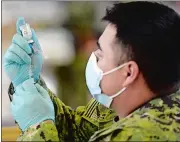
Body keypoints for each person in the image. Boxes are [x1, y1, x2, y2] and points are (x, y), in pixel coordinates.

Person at [4, 1, 180, 141]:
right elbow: (80, 133)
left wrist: (36, 128)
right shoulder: (128, 102)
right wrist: (28, 82)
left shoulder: (135, 135)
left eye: (101, 53)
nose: (93, 57)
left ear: (128, 73)